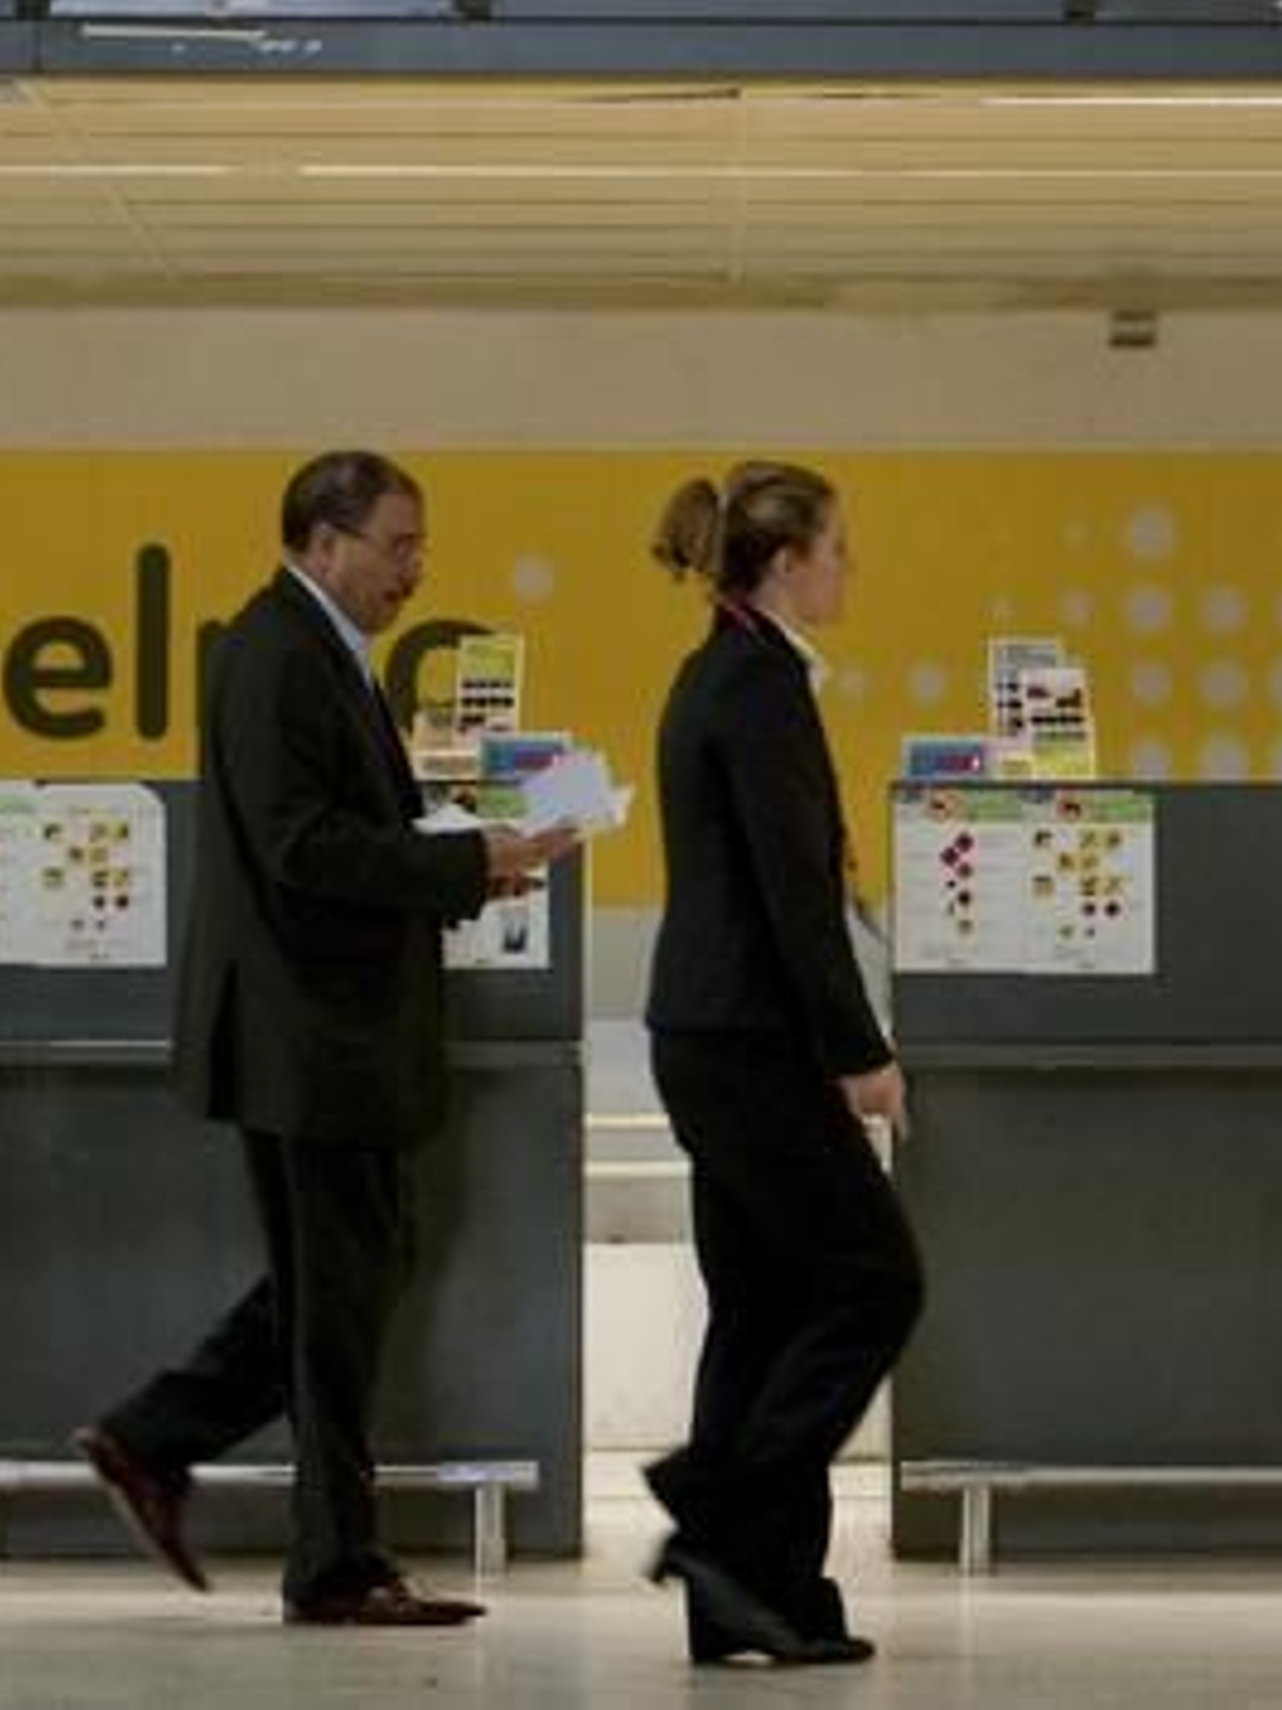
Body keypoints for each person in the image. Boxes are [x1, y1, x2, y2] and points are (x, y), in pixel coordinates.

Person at [73, 450, 576, 1627]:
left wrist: (465, 870)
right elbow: (303, 851)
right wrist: (467, 858)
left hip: (330, 1033)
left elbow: (350, 836)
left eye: (419, 547)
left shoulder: (320, 658)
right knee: (341, 1292)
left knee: (346, 1279)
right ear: (323, 540)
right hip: (309, 1037)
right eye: (398, 545)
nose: (415, 569)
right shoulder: (275, 658)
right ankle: (330, 1558)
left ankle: (155, 1440)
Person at [642, 461, 924, 1666]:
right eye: (838, 547)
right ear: (788, 560)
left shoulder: (721, 671)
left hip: (710, 1036)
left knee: (762, 1307)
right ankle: (718, 1515)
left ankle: (757, 1598)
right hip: (753, 1044)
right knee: (874, 1281)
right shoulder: (756, 690)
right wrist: (859, 1053)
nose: (848, 568)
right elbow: (790, 898)